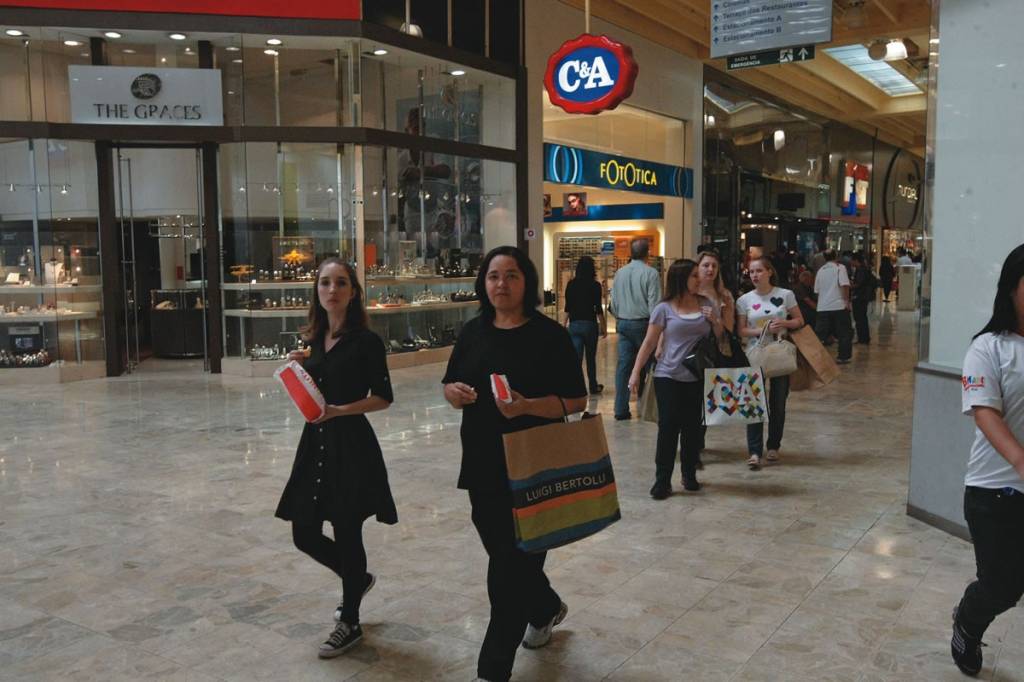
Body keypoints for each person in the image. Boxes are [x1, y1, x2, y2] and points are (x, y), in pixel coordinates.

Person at [442, 246, 588, 682]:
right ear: (482, 284)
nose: (501, 284)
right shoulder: (472, 332)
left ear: (527, 282)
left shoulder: (549, 335)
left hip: (536, 465)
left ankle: (492, 670)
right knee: (504, 553)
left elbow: (576, 400)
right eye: (492, 276)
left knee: (507, 569)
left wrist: (528, 406)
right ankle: (544, 608)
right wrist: (453, 394)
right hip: (484, 461)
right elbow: (450, 382)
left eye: (511, 276)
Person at [275, 258, 397, 658]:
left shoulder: (366, 341)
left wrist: (340, 410)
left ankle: (351, 621)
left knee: (348, 531)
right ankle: (356, 579)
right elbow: (316, 384)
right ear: (317, 290)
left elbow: (383, 397)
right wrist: (302, 366)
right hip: (315, 444)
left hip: (350, 446)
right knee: (303, 532)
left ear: (353, 291)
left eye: (340, 283)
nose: (332, 290)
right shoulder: (312, 339)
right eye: (325, 283)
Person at [951, 243, 1024, 677]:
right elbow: (984, 411)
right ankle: (968, 620)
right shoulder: (989, 348)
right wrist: (1019, 458)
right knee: (1002, 586)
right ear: (1011, 289)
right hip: (995, 490)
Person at [628, 259, 723, 498]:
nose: (699, 278)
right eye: (693, 275)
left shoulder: (705, 304)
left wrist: (715, 320)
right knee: (668, 427)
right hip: (667, 374)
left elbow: (720, 336)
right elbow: (649, 342)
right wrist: (635, 371)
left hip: (697, 376)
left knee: (692, 428)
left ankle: (689, 474)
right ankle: (662, 480)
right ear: (680, 279)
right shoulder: (664, 308)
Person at [736, 257, 805, 469]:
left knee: (778, 402)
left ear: (769, 272)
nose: (755, 275)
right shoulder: (744, 300)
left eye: (759, 271)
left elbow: (799, 320)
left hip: (779, 353)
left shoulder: (785, 295)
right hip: (754, 354)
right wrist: (763, 330)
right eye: (751, 272)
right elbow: (741, 331)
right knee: (753, 403)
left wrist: (783, 323)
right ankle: (754, 451)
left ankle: (773, 445)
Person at [609, 238, 662, 420]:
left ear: (630, 253)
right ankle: (647, 405)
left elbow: (613, 303)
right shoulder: (652, 273)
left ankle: (620, 409)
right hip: (644, 324)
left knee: (624, 366)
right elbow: (655, 305)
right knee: (649, 365)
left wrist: (620, 317)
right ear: (648, 252)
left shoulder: (619, 273)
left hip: (623, 323)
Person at [694, 249, 736, 467]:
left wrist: (715, 320)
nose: (710, 269)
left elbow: (727, 332)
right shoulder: (687, 293)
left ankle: (696, 442)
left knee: (704, 401)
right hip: (686, 354)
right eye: (705, 265)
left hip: (712, 355)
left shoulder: (725, 296)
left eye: (714, 266)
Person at [563, 255, 606, 395]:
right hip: (590, 325)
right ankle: (593, 386)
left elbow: (567, 307)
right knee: (590, 358)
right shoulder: (595, 286)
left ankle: (574, 387)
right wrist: (604, 326)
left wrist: (564, 324)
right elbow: (598, 308)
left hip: (574, 325)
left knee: (576, 359)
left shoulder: (571, 284)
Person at [814, 249, 853, 364]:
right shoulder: (840, 268)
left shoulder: (821, 271)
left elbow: (817, 290)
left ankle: (815, 356)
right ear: (836, 256)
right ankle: (843, 356)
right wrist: (847, 301)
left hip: (823, 307)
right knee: (844, 332)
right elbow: (845, 285)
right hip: (839, 305)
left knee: (820, 334)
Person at [850, 253, 874, 345]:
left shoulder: (861, 270)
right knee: (862, 317)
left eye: (852, 260)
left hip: (860, 297)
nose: (851, 262)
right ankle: (864, 338)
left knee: (859, 318)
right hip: (863, 297)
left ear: (856, 260)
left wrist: (850, 286)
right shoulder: (864, 269)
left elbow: (859, 284)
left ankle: (862, 338)